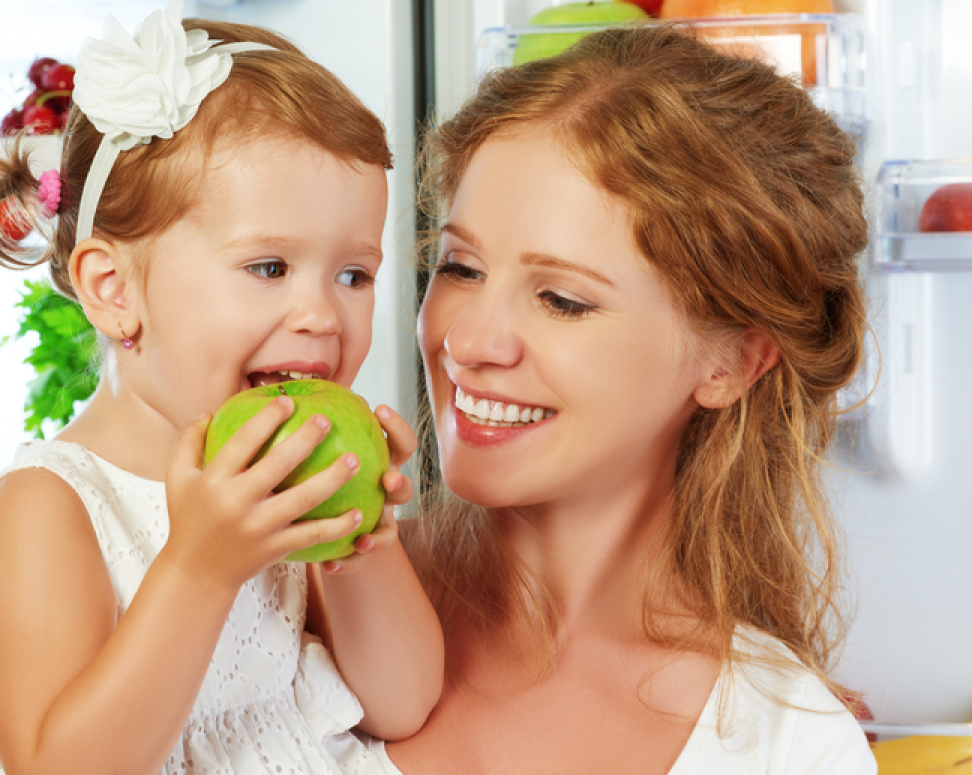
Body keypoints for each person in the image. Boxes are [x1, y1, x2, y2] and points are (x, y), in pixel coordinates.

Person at [0, 3, 443, 774]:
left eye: (353, 273)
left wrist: (362, 542)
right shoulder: (46, 510)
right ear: (114, 288)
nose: (324, 313)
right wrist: (198, 568)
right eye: (268, 268)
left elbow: (404, 699)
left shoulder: (276, 486)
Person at [372, 23, 875, 775]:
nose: (470, 340)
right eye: (461, 267)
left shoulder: (787, 746)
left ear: (734, 361)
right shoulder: (293, 598)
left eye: (562, 300)